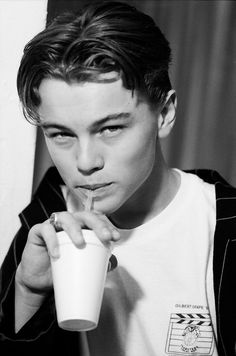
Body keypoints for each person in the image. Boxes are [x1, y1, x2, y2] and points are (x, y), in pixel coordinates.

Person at [0, 1, 236, 355]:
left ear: (165, 114)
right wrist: (27, 294)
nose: (85, 162)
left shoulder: (220, 227)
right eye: (61, 134)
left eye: (110, 128)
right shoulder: (44, 227)